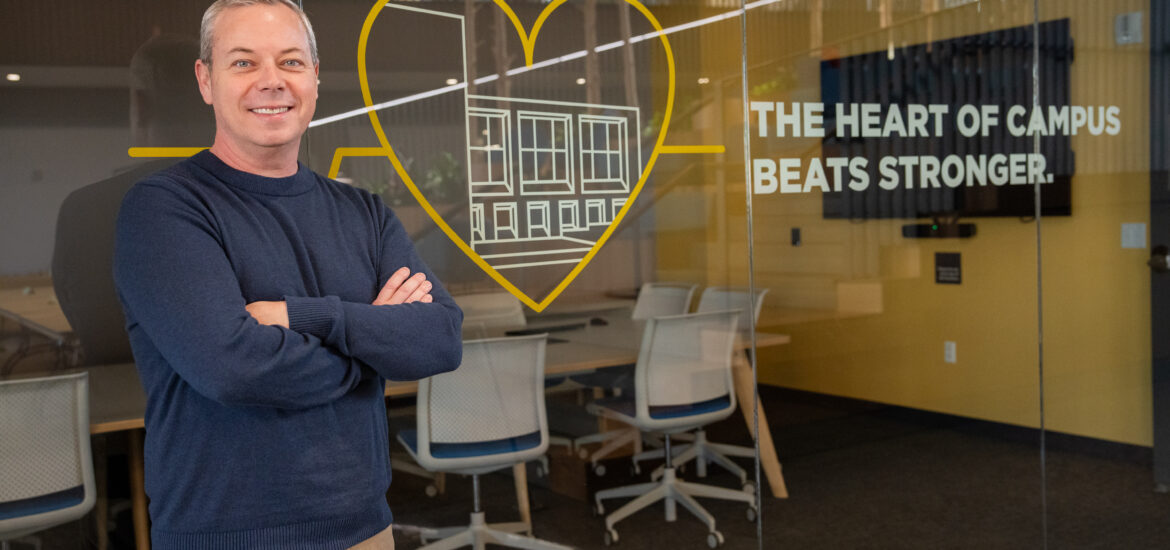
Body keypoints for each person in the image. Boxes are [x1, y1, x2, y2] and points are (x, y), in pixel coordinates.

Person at [112, 1, 464, 548]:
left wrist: (304, 317)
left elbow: (440, 340)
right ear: (206, 80)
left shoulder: (364, 214)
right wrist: (371, 345)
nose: (271, 82)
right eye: (244, 63)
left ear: (316, 80)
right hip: (226, 537)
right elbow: (235, 369)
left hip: (367, 529)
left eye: (292, 62)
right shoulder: (165, 210)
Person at [54, 33, 214, 367]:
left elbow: (86, 321)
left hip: (117, 408)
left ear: (139, 106)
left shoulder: (84, 212)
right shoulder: (255, 202)